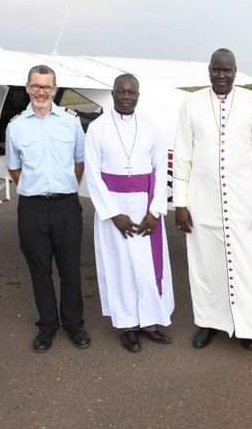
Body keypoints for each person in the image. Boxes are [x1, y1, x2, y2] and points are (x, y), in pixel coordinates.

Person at [172, 48, 252, 351]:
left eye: (227, 70)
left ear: (235, 71)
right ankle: (209, 323)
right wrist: (180, 203)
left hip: (245, 202)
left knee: (250, 266)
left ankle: (248, 327)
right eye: (216, 70)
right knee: (206, 266)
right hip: (202, 203)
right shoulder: (191, 104)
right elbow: (182, 156)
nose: (221, 75)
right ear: (208, 70)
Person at [83, 74, 174, 353]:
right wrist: (113, 214)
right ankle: (127, 327)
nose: (126, 96)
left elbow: (160, 172)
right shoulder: (97, 129)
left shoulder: (151, 129)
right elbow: (93, 174)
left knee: (148, 268)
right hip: (115, 211)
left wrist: (156, 211)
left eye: (131, 92)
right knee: (119, 268)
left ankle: (150, 322)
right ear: (112, 94)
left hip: (146, 208)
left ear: (137, 95)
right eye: (121, 91)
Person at [5, 65, 90, 352]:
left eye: (47, 86)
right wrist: (36, 189)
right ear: (27, 88)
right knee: (39, 270)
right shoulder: (16, 126)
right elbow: (14, 169)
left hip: (66, 205)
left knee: (70, 269)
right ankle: (48, 326)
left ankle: (74, 324)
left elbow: (79, 162)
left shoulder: (70, 122)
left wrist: (64, 187)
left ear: (55, 89)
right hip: (32, 208)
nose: (41, 91)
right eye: (36, 86)